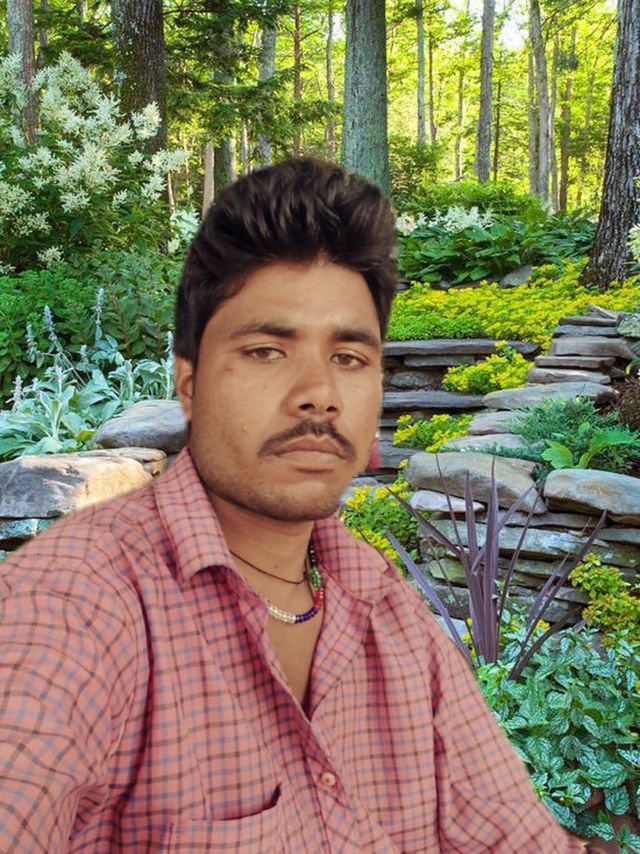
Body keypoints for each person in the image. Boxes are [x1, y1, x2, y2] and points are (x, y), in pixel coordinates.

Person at [0, 157, 588, 853]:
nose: (319, 395)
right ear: (189, 383)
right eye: (266, 351)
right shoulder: (74, 604)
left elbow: (514, 834)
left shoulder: (383, 608)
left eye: (348, 358)